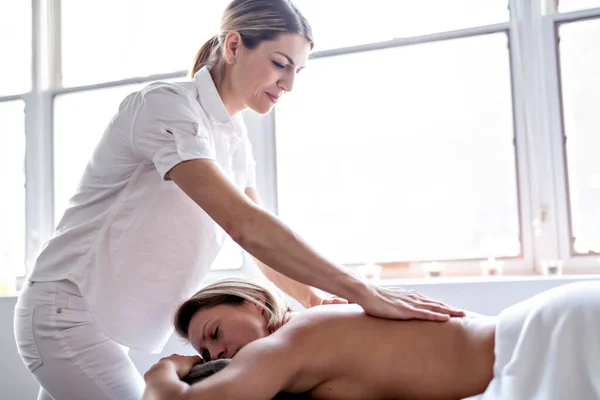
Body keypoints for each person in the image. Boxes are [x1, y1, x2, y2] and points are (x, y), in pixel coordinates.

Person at [13, 1, 463, 399]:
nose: (288, 84)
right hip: (63, 310)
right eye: (280, 64)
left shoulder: (232, 137)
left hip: (97, 321)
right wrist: (364, 292)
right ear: (233, 47)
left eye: (297, 71)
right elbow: (244, 224)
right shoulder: (165, 106)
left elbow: (256, 240)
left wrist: (315, 299)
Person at [142, 278, 600, 400]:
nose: (214, 353)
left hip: (547, 347)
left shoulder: (285, 344)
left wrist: (164, 367)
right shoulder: (320, 319)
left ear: (254, 306)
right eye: (205, 353)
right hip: (552, 330)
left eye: (214, 334)